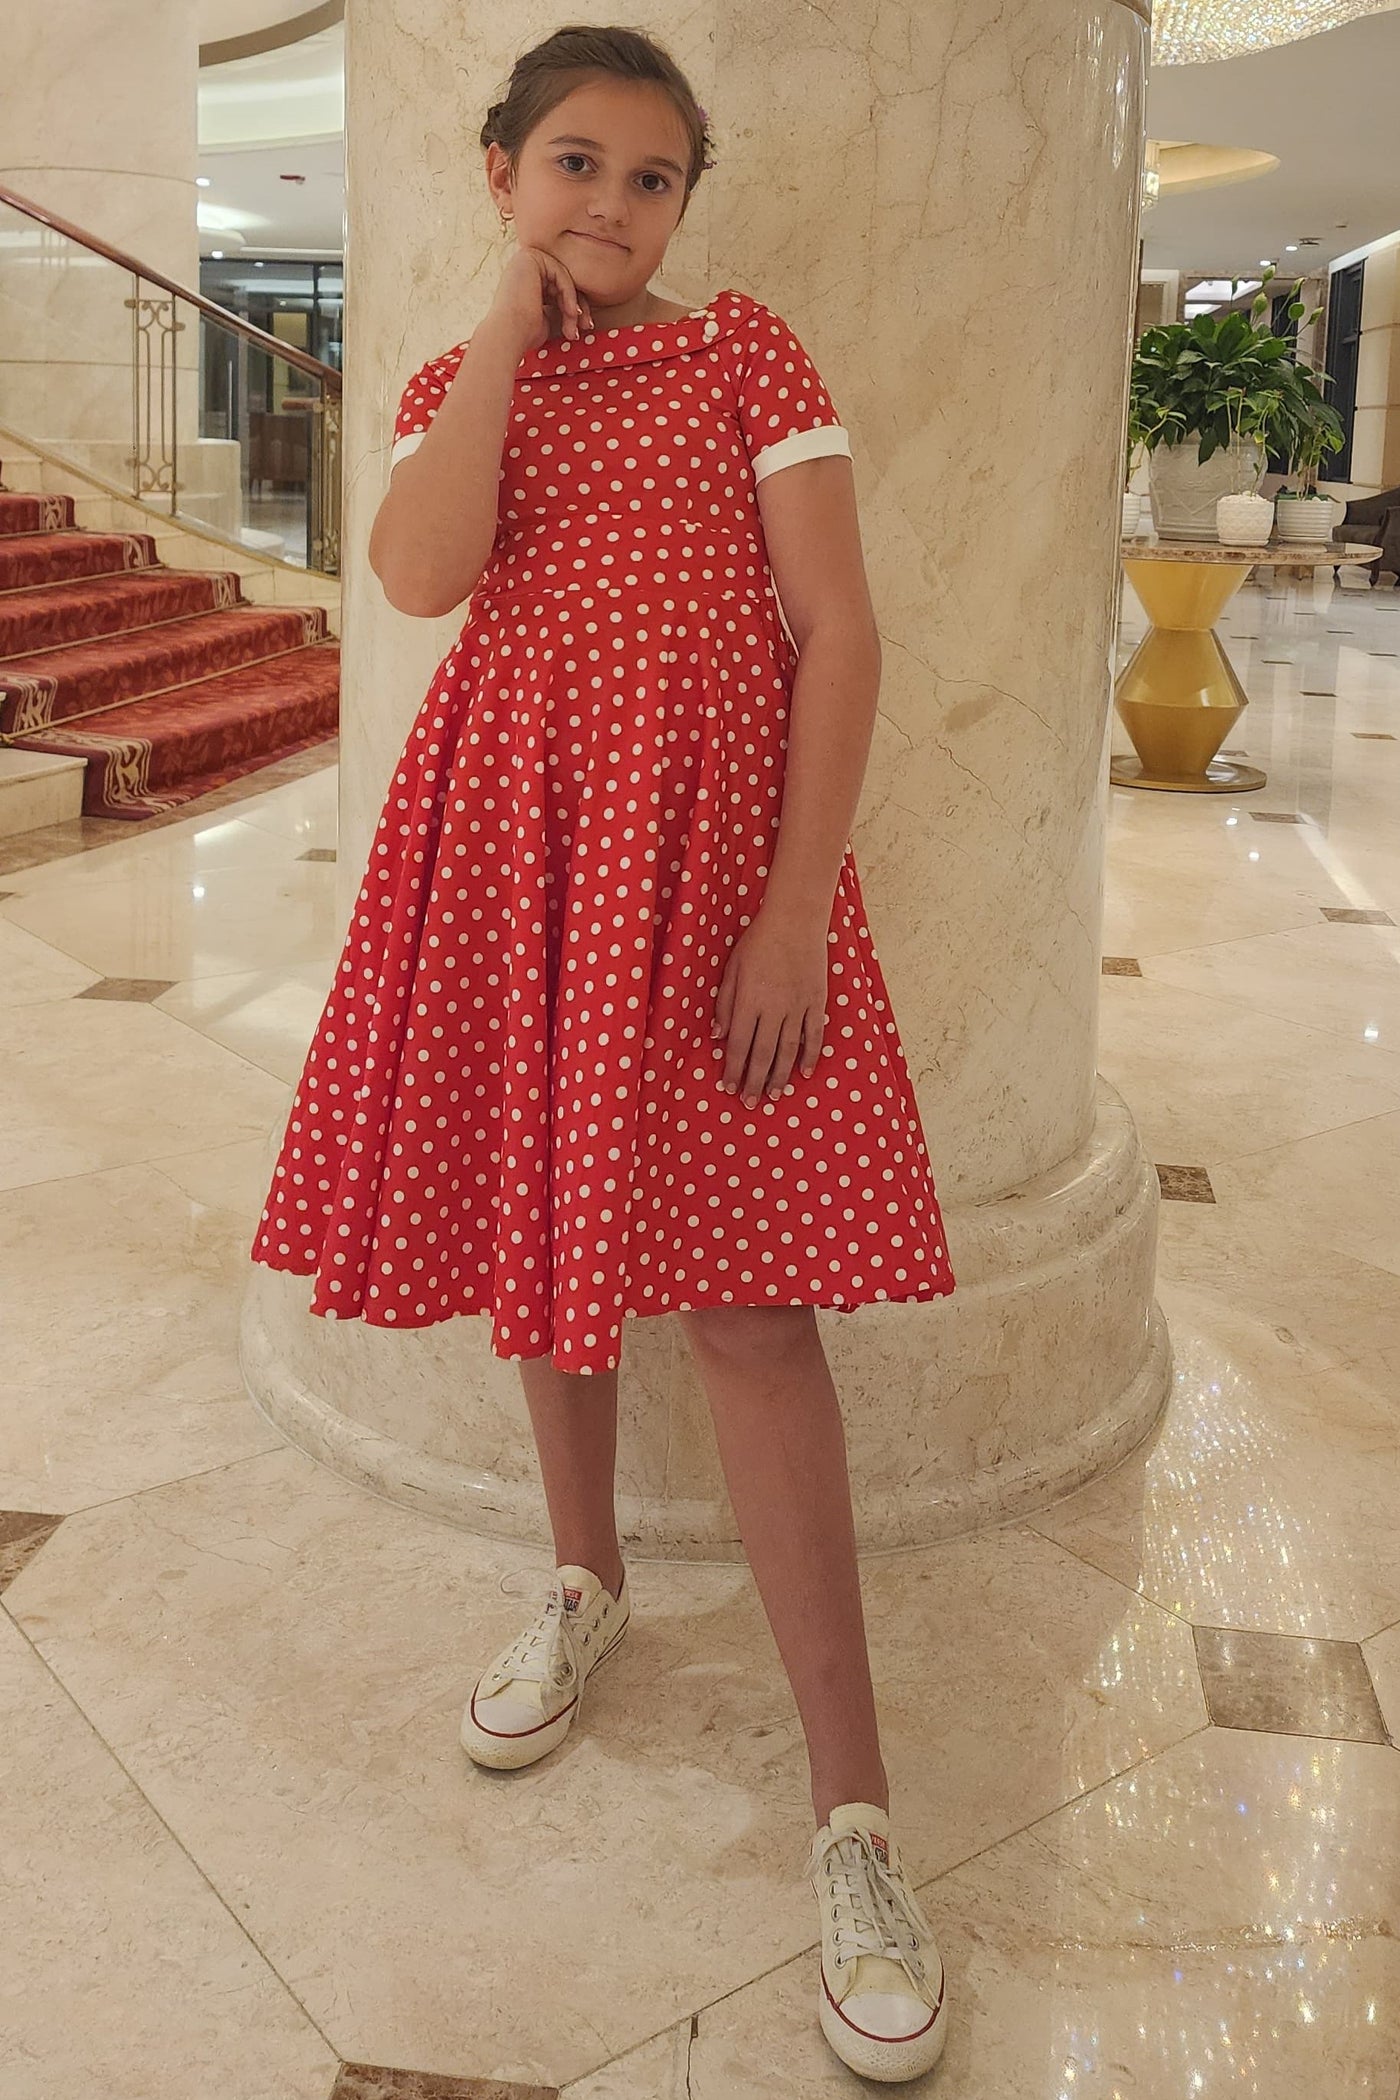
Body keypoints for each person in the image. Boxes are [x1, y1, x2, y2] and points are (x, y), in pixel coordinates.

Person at [250, 22, 955, 2083]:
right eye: (573, 164)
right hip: (514, 856)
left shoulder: (751, 352)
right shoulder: (465, 377)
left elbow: (837, 629)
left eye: (651, 178)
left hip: (722, 869)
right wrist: (501, 318)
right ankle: (582, 1583)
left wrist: (790, 910)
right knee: (542, 1242)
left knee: (748, 1314)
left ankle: (853, 1817)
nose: (613, 208)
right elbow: (419, 573)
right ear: (499, 173)